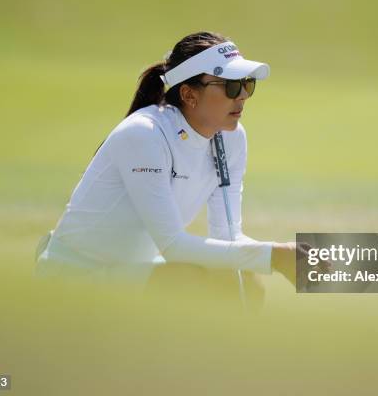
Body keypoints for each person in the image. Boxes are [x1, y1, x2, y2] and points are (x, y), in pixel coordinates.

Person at [35, 31, 314, 294]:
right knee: (190, 283)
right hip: (73, 275)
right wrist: (274, 256)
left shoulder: (232, 138)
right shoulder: (145, 133)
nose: (242, 95)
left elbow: (229, 237)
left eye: (247, 83)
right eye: (230, 85)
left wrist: (302, 257)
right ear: (189, 95)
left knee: (244, 281)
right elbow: (173, 246)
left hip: (130, 272)